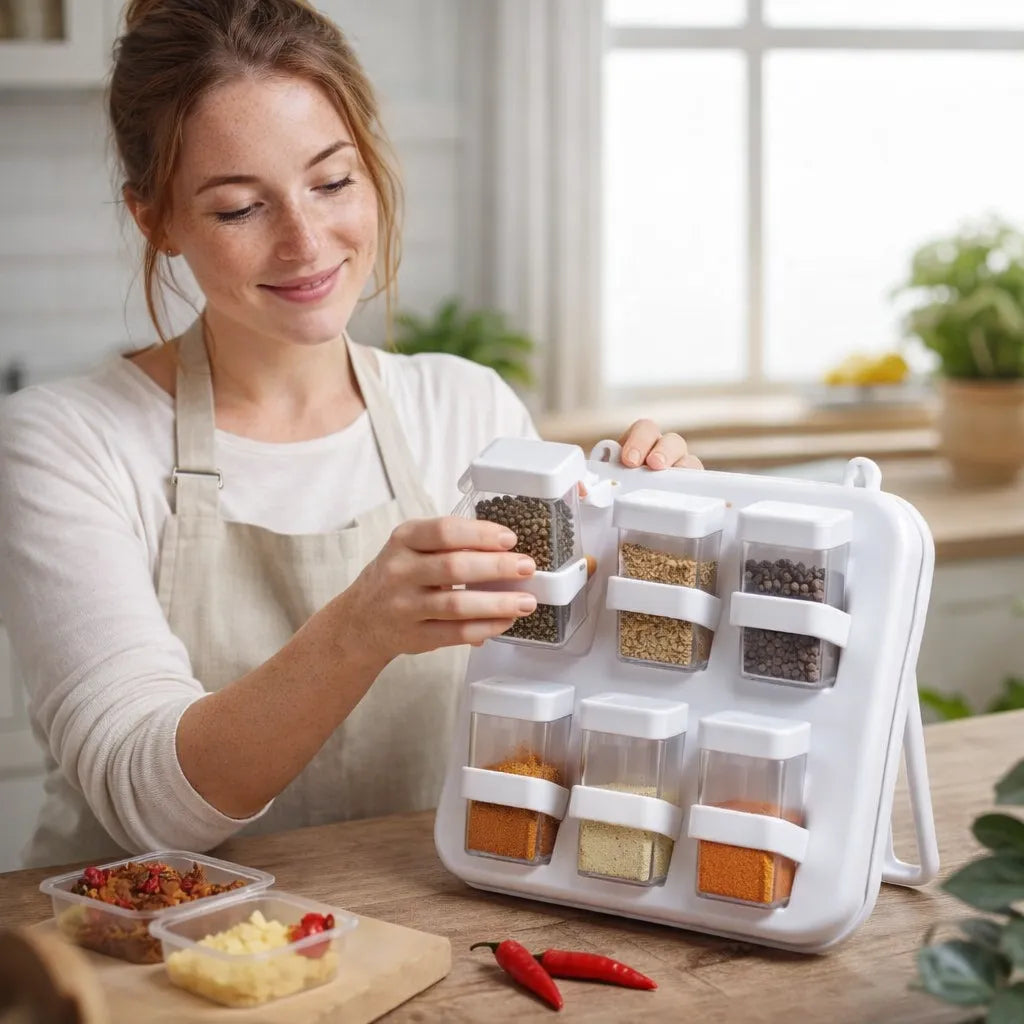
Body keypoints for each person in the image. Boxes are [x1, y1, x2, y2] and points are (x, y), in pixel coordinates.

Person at [0, 0, 702, 868]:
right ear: (156, 219)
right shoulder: (69, 443)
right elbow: (148, 808)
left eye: (332, 183)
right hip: (138, 970)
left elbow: (572, 703)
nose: (305, 242)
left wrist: (674, 548)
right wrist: (359, 628)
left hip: (426, 938)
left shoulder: (467, 412)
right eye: (237, 209)